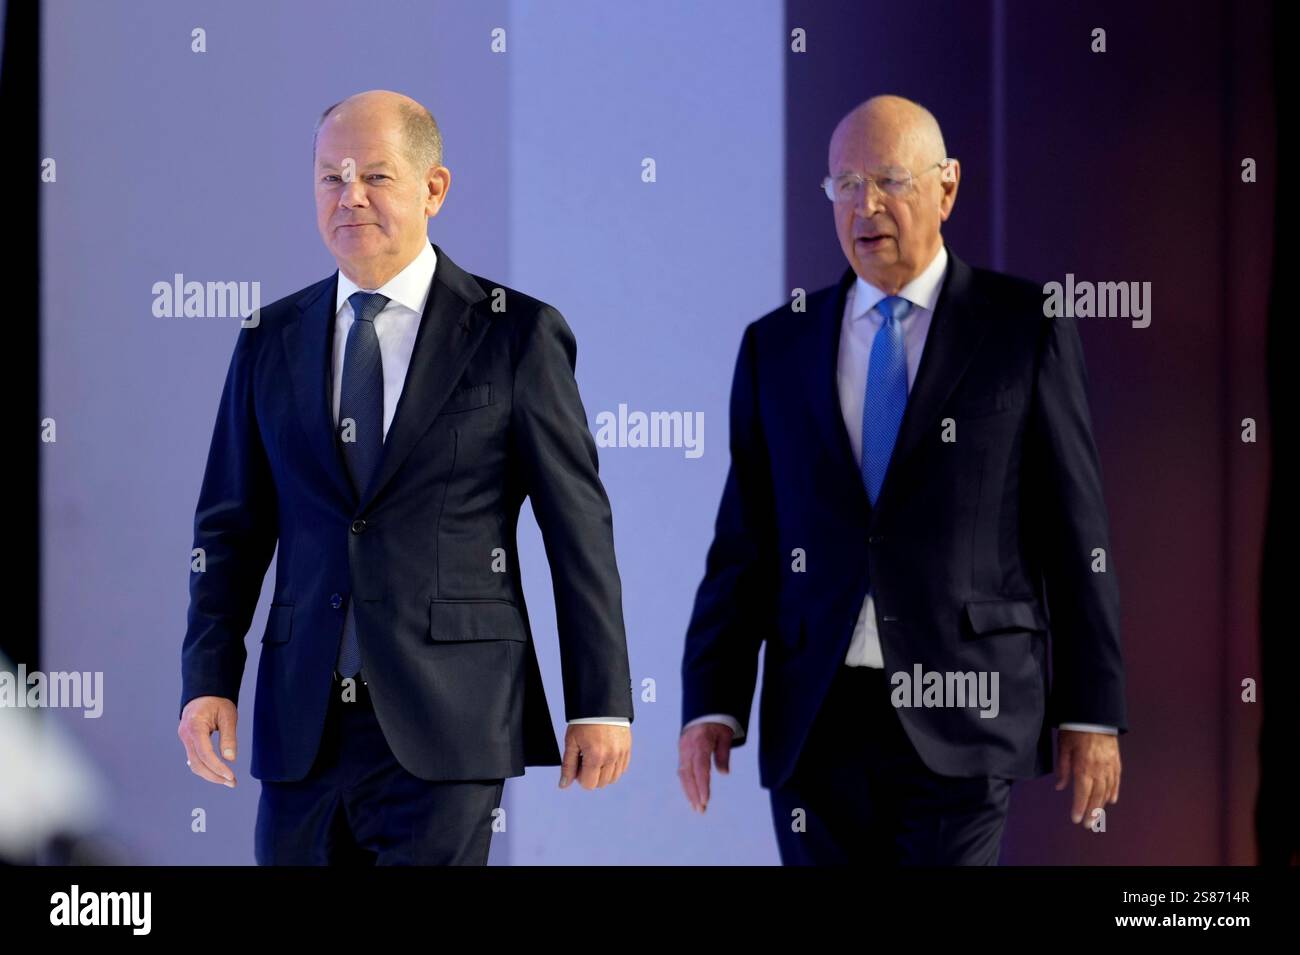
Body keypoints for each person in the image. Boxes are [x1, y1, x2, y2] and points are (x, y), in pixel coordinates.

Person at [178, 90, 633, 865]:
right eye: (330, 177)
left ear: (434, 188)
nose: (348, 195)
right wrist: (207, 678)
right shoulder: (269, 338)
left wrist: (601, 702)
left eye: (375, 176)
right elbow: (230, 528)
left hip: (450, 717)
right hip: (302, 724)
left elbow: (576, 528)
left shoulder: (513, 333)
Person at [678, 94, 1126, 865]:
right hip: (816, 719)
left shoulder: (1025, 327)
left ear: (946, 188)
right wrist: (712, 697)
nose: (865, 205)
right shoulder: (775, 345)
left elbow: (1075, 534)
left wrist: (1091, 711)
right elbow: (744, 541)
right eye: (844, 186)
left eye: (889, 180)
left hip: (964, 712)